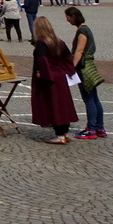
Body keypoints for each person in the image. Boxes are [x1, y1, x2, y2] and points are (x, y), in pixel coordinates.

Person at [30, 15, 78, 144]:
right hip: (60, 76)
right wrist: (65, 70)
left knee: (54, 106)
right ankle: (65, 132)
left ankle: (60, 135)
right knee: (63, 105)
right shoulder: (58, 41)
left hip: (50, 78)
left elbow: (42, 60)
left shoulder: (42, 42)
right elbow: (68, 57)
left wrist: (43, 74)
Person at [65, 7, 106, 139]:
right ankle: (99, 127)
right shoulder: (84, 29)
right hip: (88, 65)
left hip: (84, 67)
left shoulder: (82, 30)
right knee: (94, 98)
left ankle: (92, 129)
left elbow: (79, 51)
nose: (67, 20)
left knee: (89, 98)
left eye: (68, 17)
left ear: (74, 16)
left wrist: (72, 67)